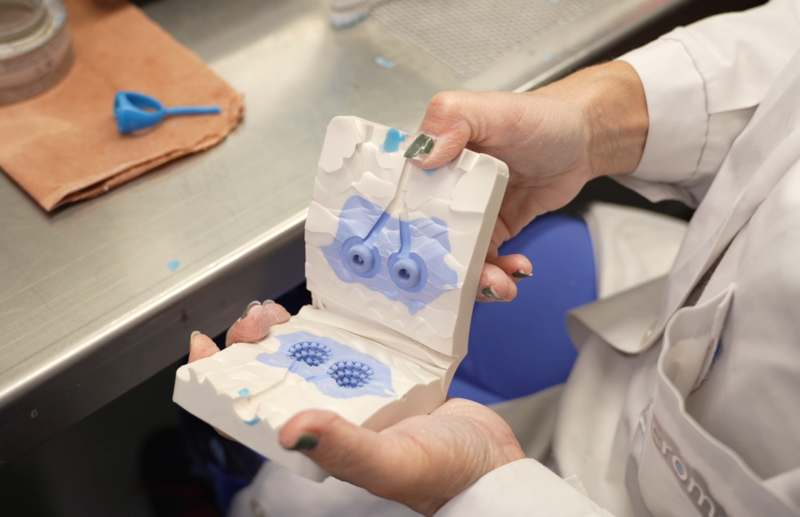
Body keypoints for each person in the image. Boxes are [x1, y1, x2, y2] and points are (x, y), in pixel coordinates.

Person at [187, 0, 800, 515]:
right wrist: (594, 122)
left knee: (293, 498)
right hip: (670, 324)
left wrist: (481, 483)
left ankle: (229, 483)